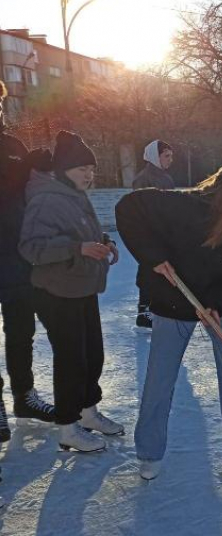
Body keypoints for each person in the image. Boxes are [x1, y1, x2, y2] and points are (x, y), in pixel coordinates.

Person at [115, 156, 222, 481]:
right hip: (174, 302)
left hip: (220, 305)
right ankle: (149, 452)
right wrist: (153, 257)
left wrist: (220, 302)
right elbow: (128, 208)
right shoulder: (188, 205)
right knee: (161, 377)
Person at [18, 131, 123, 452]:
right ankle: (67, 426)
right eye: (81, 170)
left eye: (91, 169)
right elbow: (31, 248)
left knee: (93, 354)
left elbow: (82, 232)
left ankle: (88, 413)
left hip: (81, 287)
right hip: (57, 292)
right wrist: (78, 248)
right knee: (71, 359)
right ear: (64, 170)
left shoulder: (73, 194)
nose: (89, 175)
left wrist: (104, 243)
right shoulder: (46, 199)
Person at [0, 82, 57, 444]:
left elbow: (27, 193)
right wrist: (21, 170)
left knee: (21, 331)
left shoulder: (13, 145)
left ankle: (24, 396)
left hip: (15, 254)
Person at [131, 140, 175, 329]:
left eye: (171, 156)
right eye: (166, 156)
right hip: (149, 234)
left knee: (163, 270)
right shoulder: (143, 179)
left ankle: (158, 307)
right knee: (149, 269)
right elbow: (139, 209)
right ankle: (144, 311)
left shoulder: (166, 178)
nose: (170, 160)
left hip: (164, 233)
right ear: (154, 157)